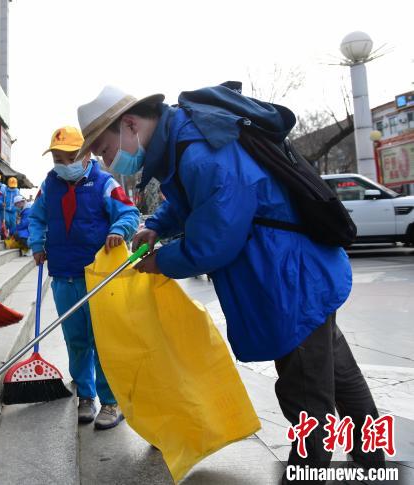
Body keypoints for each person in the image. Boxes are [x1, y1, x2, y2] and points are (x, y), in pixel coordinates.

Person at [76, 85, 384, 479]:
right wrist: (157, 226)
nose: (107, 161)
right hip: (295, 273)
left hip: (289, 281)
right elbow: (197, 201)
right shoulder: (185, 139)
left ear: (131, 125)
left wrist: (161, 261)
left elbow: (214, 240)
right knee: (337, 372)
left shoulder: (200, 151)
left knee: (305, 395)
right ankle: (373, 461)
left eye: (104, 150)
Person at [29, 126, 140, 430]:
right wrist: (37, 244)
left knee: (103, 340)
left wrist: (119, 230)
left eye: (69, 157)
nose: (64, 164)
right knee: (76, 340)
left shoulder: (105, 182)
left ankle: (111, 401)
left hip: (98, 277)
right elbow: (36, 218)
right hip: (63, 276)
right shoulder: (48, 185)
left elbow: (128, 213)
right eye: (58, 159)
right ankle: (86, 396)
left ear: (86, 153)